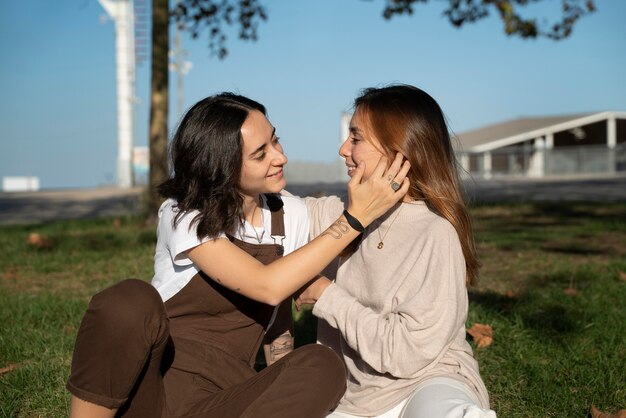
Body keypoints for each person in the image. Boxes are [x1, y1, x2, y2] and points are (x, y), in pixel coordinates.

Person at [66, 92, 411, 418]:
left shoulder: (290, 214)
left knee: (323, 364)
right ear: (221, 166)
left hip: (228, 399)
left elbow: (279, 319)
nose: (280, 157)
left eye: (275, 140)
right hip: (151, 393)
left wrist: (283, 375)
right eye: (260, 154)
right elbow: (266, 286)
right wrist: (355, 218)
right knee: (129, 300)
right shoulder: (183, 213)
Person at [295, 85, 497, 418]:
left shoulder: (435, 233)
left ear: (399, 151)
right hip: (355, 400)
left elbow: (407, 353)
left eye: (356, 138)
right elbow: (276, 213)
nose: (343, 149)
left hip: (428, 380)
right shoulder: (342, 215)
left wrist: (324, 294)